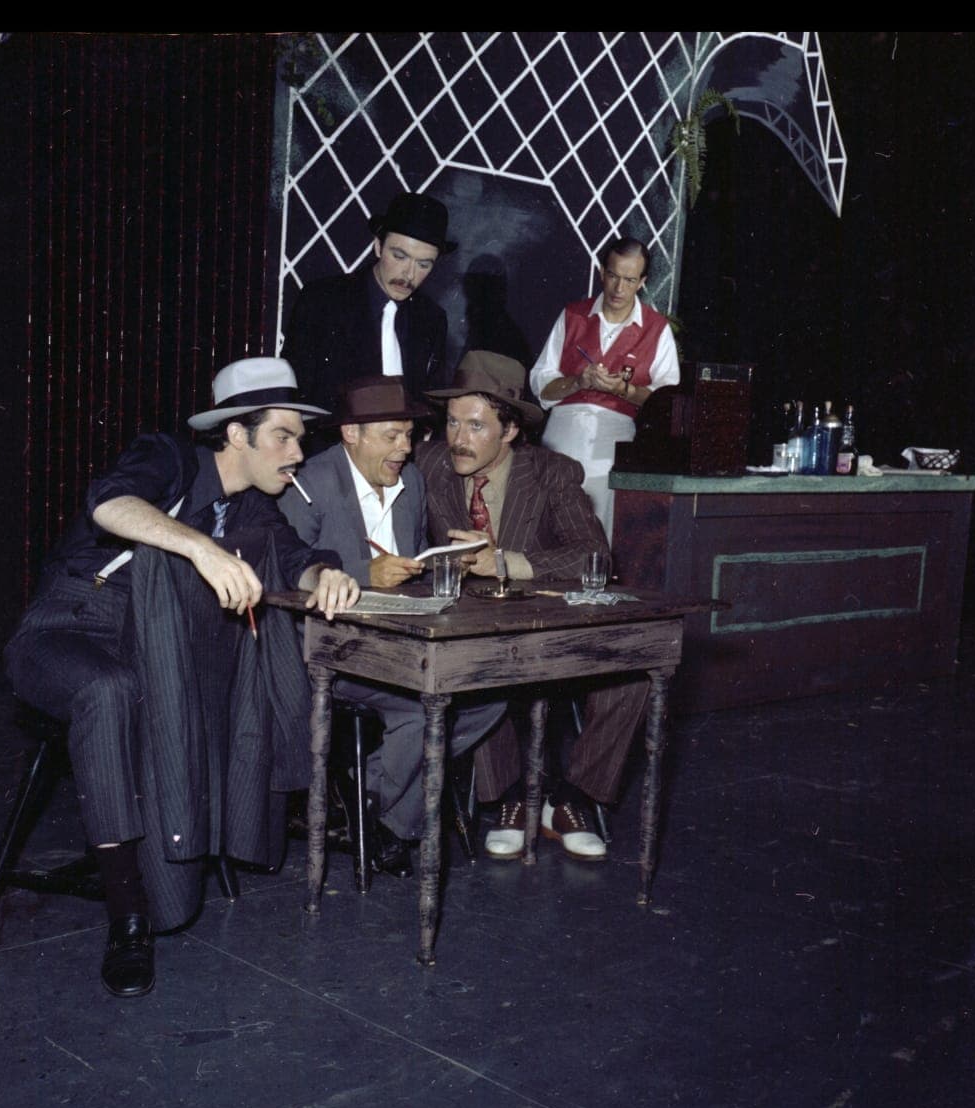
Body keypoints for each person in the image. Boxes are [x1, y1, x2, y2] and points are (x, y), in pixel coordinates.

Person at [3, 357, 360, 998]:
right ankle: (128, 919)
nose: (298, 454)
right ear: (236, 434)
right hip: (72, 629)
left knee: (203, 687)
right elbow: (109, 504)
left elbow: (296, 559)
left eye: (301, 439)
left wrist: (327, 574)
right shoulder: (169, 458)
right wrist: (199, 547)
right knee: (109, 692)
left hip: (153, 649)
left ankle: (185, 850)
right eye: (284, 436)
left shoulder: (254, 504)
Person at [418, 350, 651, 862]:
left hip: (545, 626)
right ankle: (509, 798)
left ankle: (571, 797)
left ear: (510, 431)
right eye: (452, 422)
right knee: (475, 662)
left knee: (634, 674)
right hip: (472, 626)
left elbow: (593, 555)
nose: (458, 438)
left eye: (475, 425)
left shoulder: (551, 473)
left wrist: (503, 561)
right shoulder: (427, 463)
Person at [278, 375, 504, 875]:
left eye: (409, 434)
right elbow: (283, 576)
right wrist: (365, 573)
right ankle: (391, 823)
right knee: (427, 709)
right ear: (351, 434)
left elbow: (411, 563)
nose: (406, 447)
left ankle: (367, 802)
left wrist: (441, 565)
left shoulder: (412, 481)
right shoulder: (310, 484)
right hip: (328, 647)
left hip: (399, 640)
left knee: (489, 696)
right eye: (392, 436)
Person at [530, 236, 680, 540]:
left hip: (613, 444)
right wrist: (578, 381)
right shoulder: (572, 315)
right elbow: (540, 384)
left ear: (642, 282)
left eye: (630, 280)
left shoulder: (656, 328)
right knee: (549, 532)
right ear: (602, 272)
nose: (619, 288)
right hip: (561, 438)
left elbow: (667, 401)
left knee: (600, 536)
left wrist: (624, 390)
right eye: (613, 276)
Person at [282, 191, 454, 435]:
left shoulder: (432, 319)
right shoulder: (322, 301)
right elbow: (295, 396)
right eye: (399, 256)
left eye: (424, 264)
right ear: (378, 246)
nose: (409, 274)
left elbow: (431, 405)